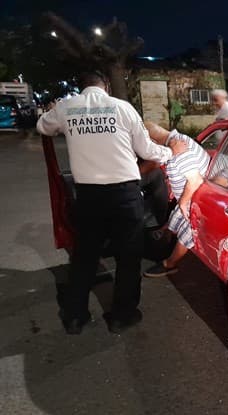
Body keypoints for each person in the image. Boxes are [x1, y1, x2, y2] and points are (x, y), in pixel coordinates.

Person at [37, 70, 188, 335]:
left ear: (80, 87)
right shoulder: (122, 108)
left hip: (88, 196)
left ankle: (75, 317)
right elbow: (146, 150)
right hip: (123, 195)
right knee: (128, 256)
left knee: (85, 256)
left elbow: (42, 126)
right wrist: (170, 152)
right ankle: (122, 315)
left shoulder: (67, 107)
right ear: (105, 86)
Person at [143, 122, 210, 277]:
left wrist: (183, 202)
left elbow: (195, 181)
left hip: (197, 199)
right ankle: (164, 246)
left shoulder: (180, 150)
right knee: (173, 221)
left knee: (187, 232)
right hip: (193, 196)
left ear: (152, 141)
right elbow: (157, 161)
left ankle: (170, 264)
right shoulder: (173, 144)